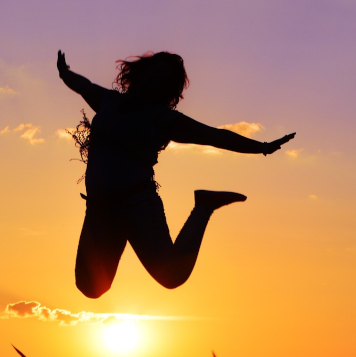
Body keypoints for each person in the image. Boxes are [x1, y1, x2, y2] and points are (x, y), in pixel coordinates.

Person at [57, 50, 295, 298]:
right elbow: (84, 86)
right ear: (140, 72)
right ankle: (127, 231)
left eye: (163, 78)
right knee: (91, 286)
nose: (155, 79)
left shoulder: (163, 120)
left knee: (171, 275)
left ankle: (203, 206)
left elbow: (215, 136)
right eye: (154, 71)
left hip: (136, 204)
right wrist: (65, 73)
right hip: (99, 207)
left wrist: (263, 148)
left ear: (167, 89)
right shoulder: (109, 102)